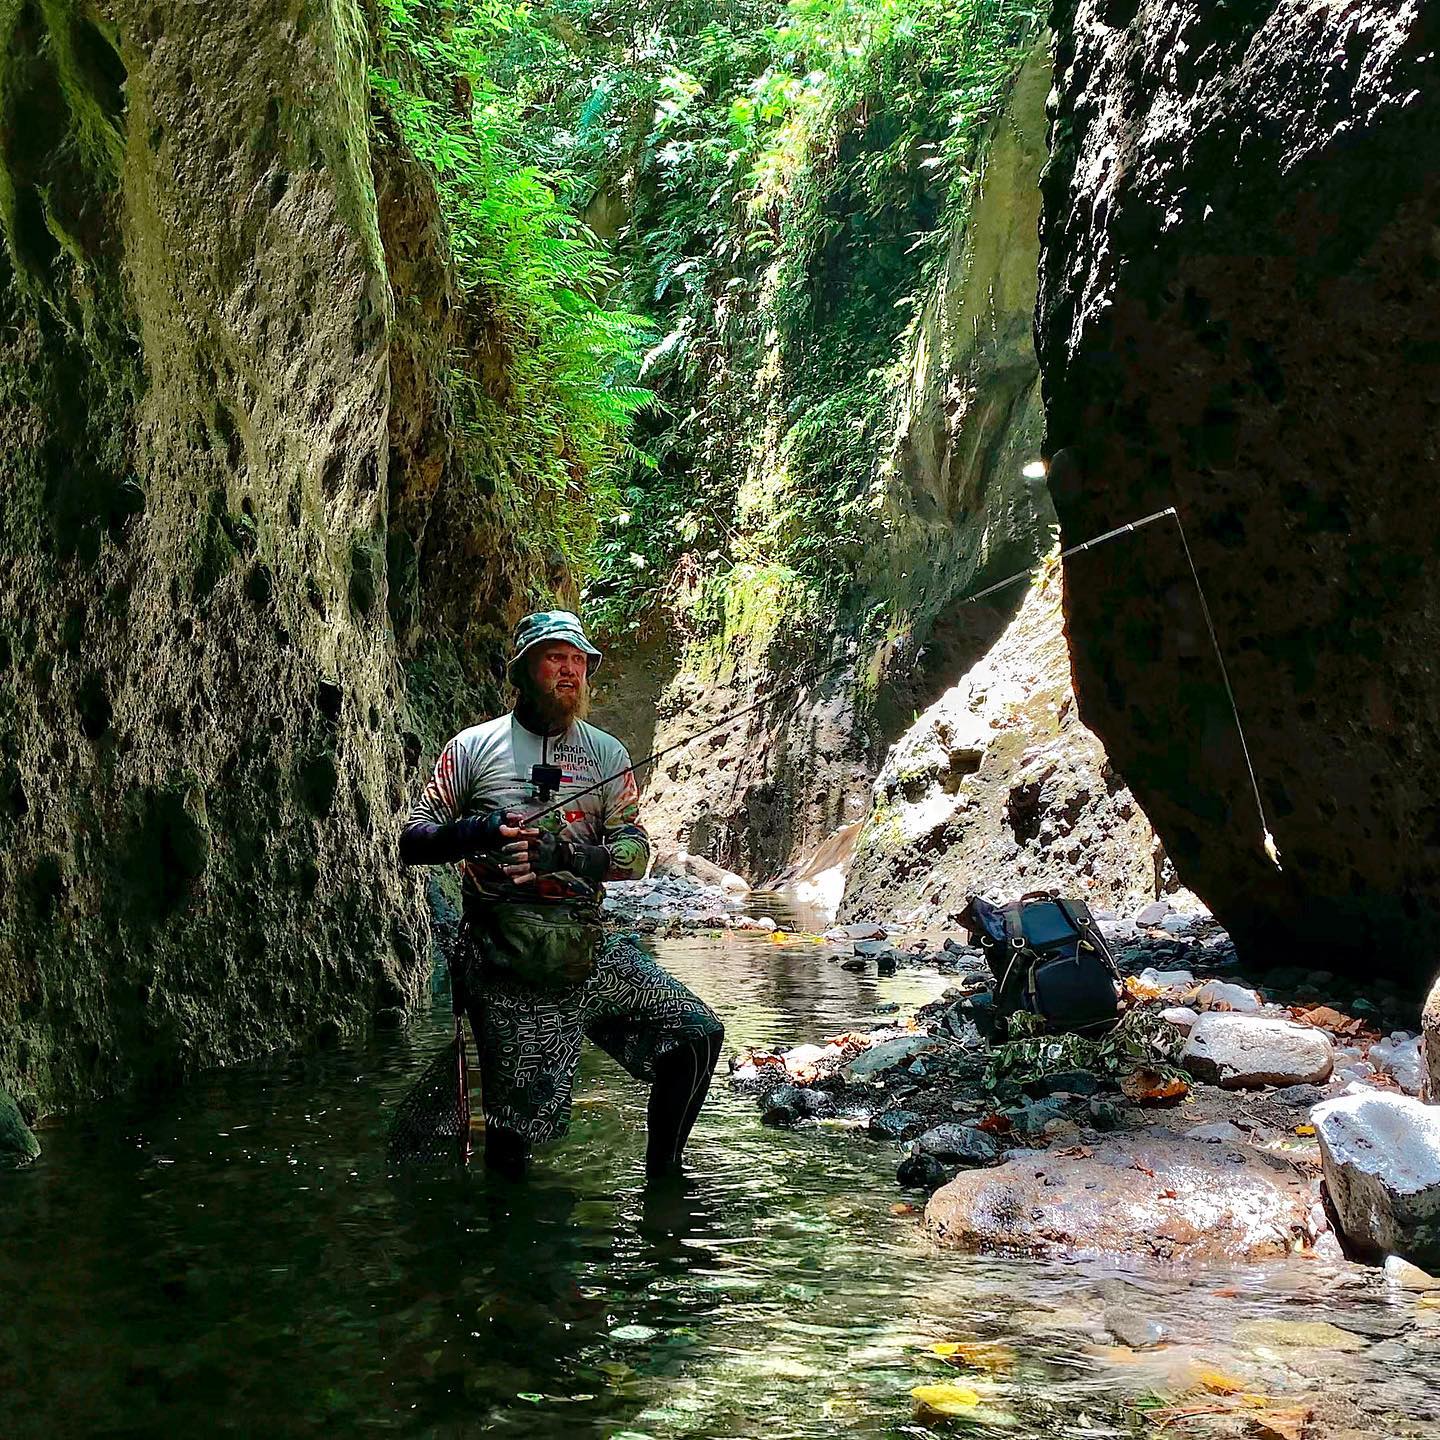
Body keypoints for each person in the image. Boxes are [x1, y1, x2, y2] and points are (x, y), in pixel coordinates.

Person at [399, 609, 724, 1179]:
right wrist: (480, 831)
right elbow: (413, 841)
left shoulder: (608, 754)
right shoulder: (472, 749)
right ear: (522, 671)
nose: (570, 671)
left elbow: (635, 856)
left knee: (697, 1035)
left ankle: (664, 1181)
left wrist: (567, 856)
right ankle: (511, 1245)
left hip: (586, 943)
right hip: (505, 956)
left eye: (579, 661)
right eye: (556, 658)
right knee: (518, 1132)